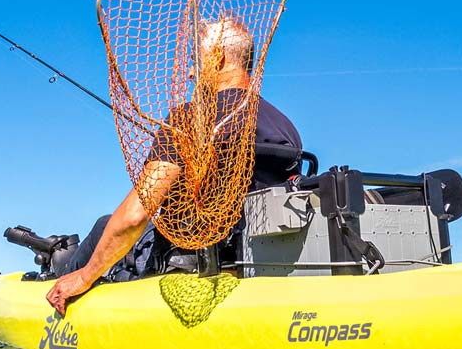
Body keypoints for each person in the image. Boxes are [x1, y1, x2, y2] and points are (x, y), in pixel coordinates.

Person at [46, 16, 301, 316]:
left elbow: (134, 217)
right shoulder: (286, 127)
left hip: (190, 262)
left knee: (105, 225)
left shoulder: (189, 119)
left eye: (196, 60)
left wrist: (85, 276)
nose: (192, 73)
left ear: (217, 58)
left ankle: (56, 287)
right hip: (250, 257)